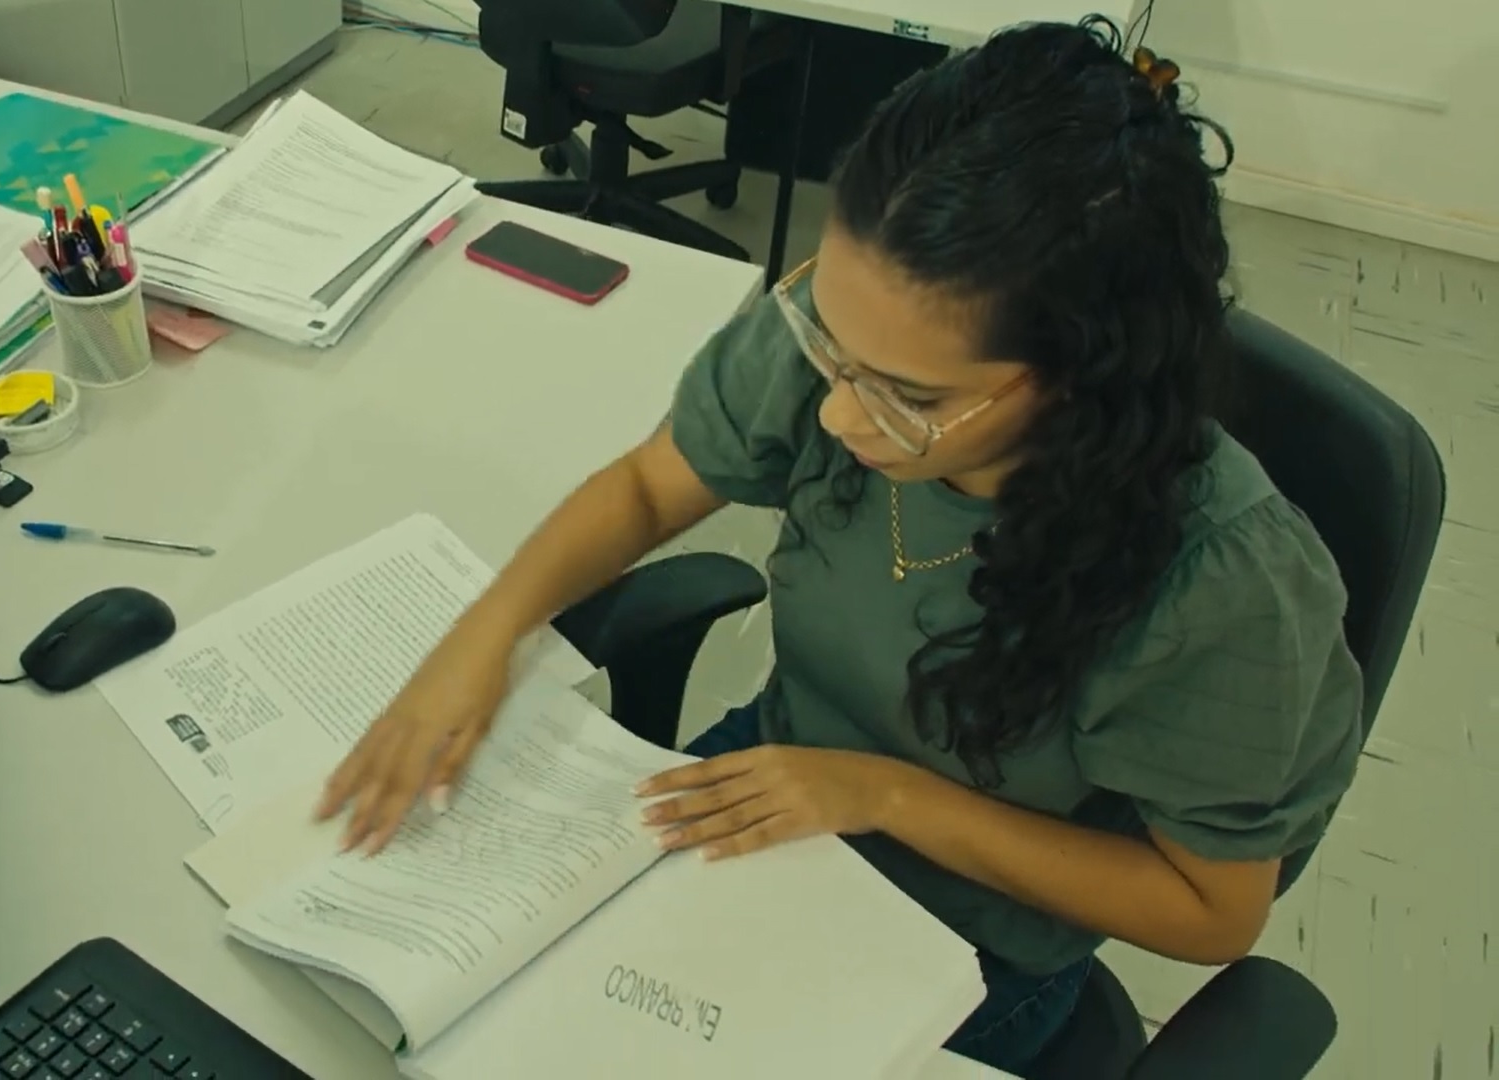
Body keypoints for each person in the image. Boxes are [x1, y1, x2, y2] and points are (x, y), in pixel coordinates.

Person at [316, 15, 1364, 1074]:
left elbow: (1211, 910)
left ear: (1084, 380)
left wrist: (883, 794)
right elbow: (647, 482)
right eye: (831, 340)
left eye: (912, 396)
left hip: (970, 931)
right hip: (774, 777)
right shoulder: (860, 343)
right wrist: (485, 632)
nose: (836, 416)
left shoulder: (1220, 587)